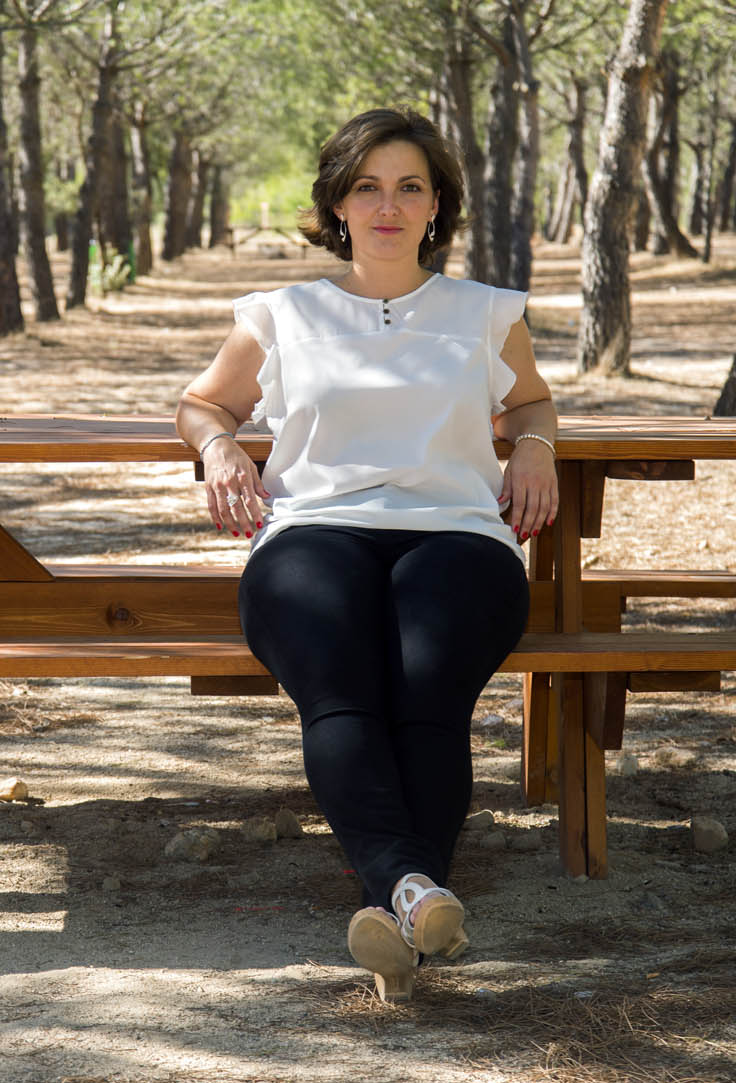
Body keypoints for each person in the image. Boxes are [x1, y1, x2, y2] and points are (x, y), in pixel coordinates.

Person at [174, 107, 559, 1002]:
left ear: (437, 207)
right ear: (339, 204)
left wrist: (536, 445)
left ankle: (399, 904)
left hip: (457, 536)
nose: (388, 205)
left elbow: (530, 407)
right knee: (341, 695)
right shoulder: (282, 314)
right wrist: (220, 446)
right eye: (368, 187)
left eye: (409, 187)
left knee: (428, 697)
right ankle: (416, 893)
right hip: (312, 535)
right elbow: (202, 403)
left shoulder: (485, 313)